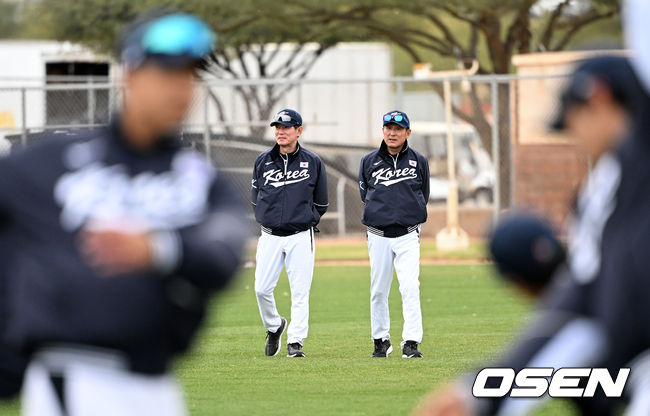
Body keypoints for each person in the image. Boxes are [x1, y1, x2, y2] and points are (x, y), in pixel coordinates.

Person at [0, 11, 248, 416]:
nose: (180, 88)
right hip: (75, 382)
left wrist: (161, 248)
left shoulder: (199, 179)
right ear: (127, 75)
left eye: (190, 74)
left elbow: (223, 253)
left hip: (157, 385)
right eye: (166, 72)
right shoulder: (54, 165)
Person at [413, 54, 650, 416]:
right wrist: (484, 393)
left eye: (574, 121)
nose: (575, 138)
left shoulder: (624, 178)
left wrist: (484, 393)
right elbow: (591, 312)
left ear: (598, 99)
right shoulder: (609, 183)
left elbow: (589, 305)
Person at [251, 108, 328, 358]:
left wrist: (307, 220)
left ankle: (296, 342)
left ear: (299, 131)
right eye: (278, 127)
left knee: (300, 291)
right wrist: (267, 216)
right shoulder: (263, 161)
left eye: (286, 127)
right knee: (262, 289)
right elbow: (255, 197)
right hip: (270, 235)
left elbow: (322, 203)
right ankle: (274, 326)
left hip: (300, 236)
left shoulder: (313, 161)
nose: (280, 132)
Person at [358, 110, 430, 358]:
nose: (392, 132)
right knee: (378, 289)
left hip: (408, 234)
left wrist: (410, 215)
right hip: (378, 234)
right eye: (388, 127)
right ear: (382, 131)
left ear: (407, 133)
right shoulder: (369, 161)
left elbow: (423, 193)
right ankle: (380, 339)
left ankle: (411, 342)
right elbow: (365, 193)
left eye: (398, 129)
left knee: (410, 287)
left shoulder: (418, 161)